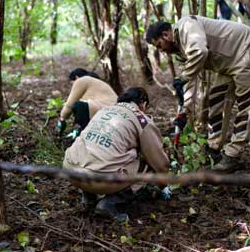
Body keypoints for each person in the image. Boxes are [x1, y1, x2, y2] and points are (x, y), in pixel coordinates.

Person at [146, 16, 250, 172]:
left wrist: (183, 77)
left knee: (245, 103)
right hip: (228, 63)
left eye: (159, 45)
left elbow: (200, 52)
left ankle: (233, 155)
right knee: (216, 99)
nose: (161, 51)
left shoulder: (187, 25)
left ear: (166, 35)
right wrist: (184, 112)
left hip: (246, 49)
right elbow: (190, 81)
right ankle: (214, 149)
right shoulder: (180, 52)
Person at [62, 87, 170, 221]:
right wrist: (164, 186)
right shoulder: (141, 119)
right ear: (143, 104)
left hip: (70, 170)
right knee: (148, 166)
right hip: (101, 180)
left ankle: (89, 198)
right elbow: (160, 164)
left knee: (95, 152)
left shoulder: (104, 110)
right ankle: (110, 204)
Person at [56, 68, 117, 138]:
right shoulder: (96, 82)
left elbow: (69, 105)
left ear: (76, 77)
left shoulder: (82, 80)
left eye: (72, 83)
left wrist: (62, 118)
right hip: (114, 114)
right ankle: (82, 131)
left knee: (78, 106)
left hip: (104, 111)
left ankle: (83, 132)